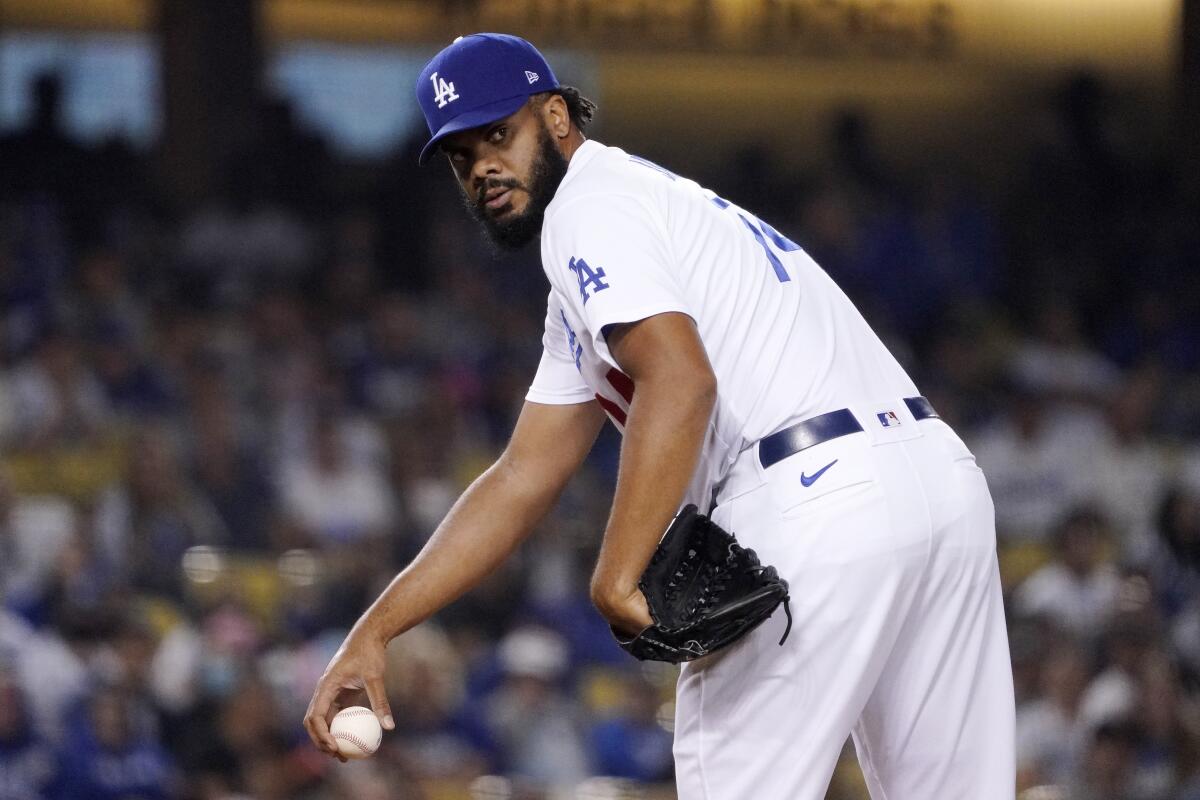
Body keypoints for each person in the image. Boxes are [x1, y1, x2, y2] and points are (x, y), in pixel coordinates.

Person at [304, 33, 1015, 798]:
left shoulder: (589, 208)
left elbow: (680, 380)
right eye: (461, 154)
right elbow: (520, 477)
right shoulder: (637, 219)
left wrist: (617, 573)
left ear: (556, 117)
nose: (482, 166)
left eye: (499, 134)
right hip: (940, 486)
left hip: (817, 500)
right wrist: (377, 628)